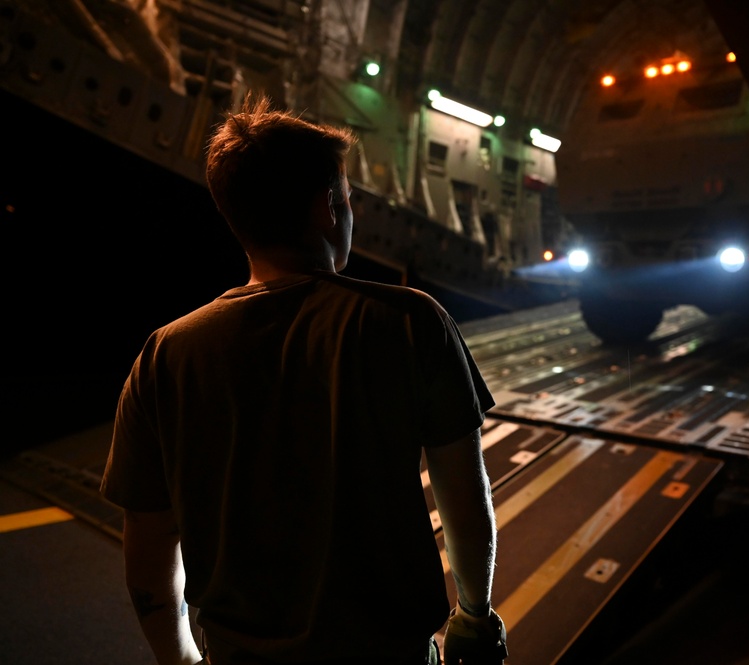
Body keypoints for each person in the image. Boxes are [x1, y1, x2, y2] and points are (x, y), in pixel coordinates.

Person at [100, 95, 508, 665]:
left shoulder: (166, 355)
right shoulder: (411, 322)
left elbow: (147, 545)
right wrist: (473, 614)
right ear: (328, 207)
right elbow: (464, 493)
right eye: (347, 198)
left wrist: (181, 659)